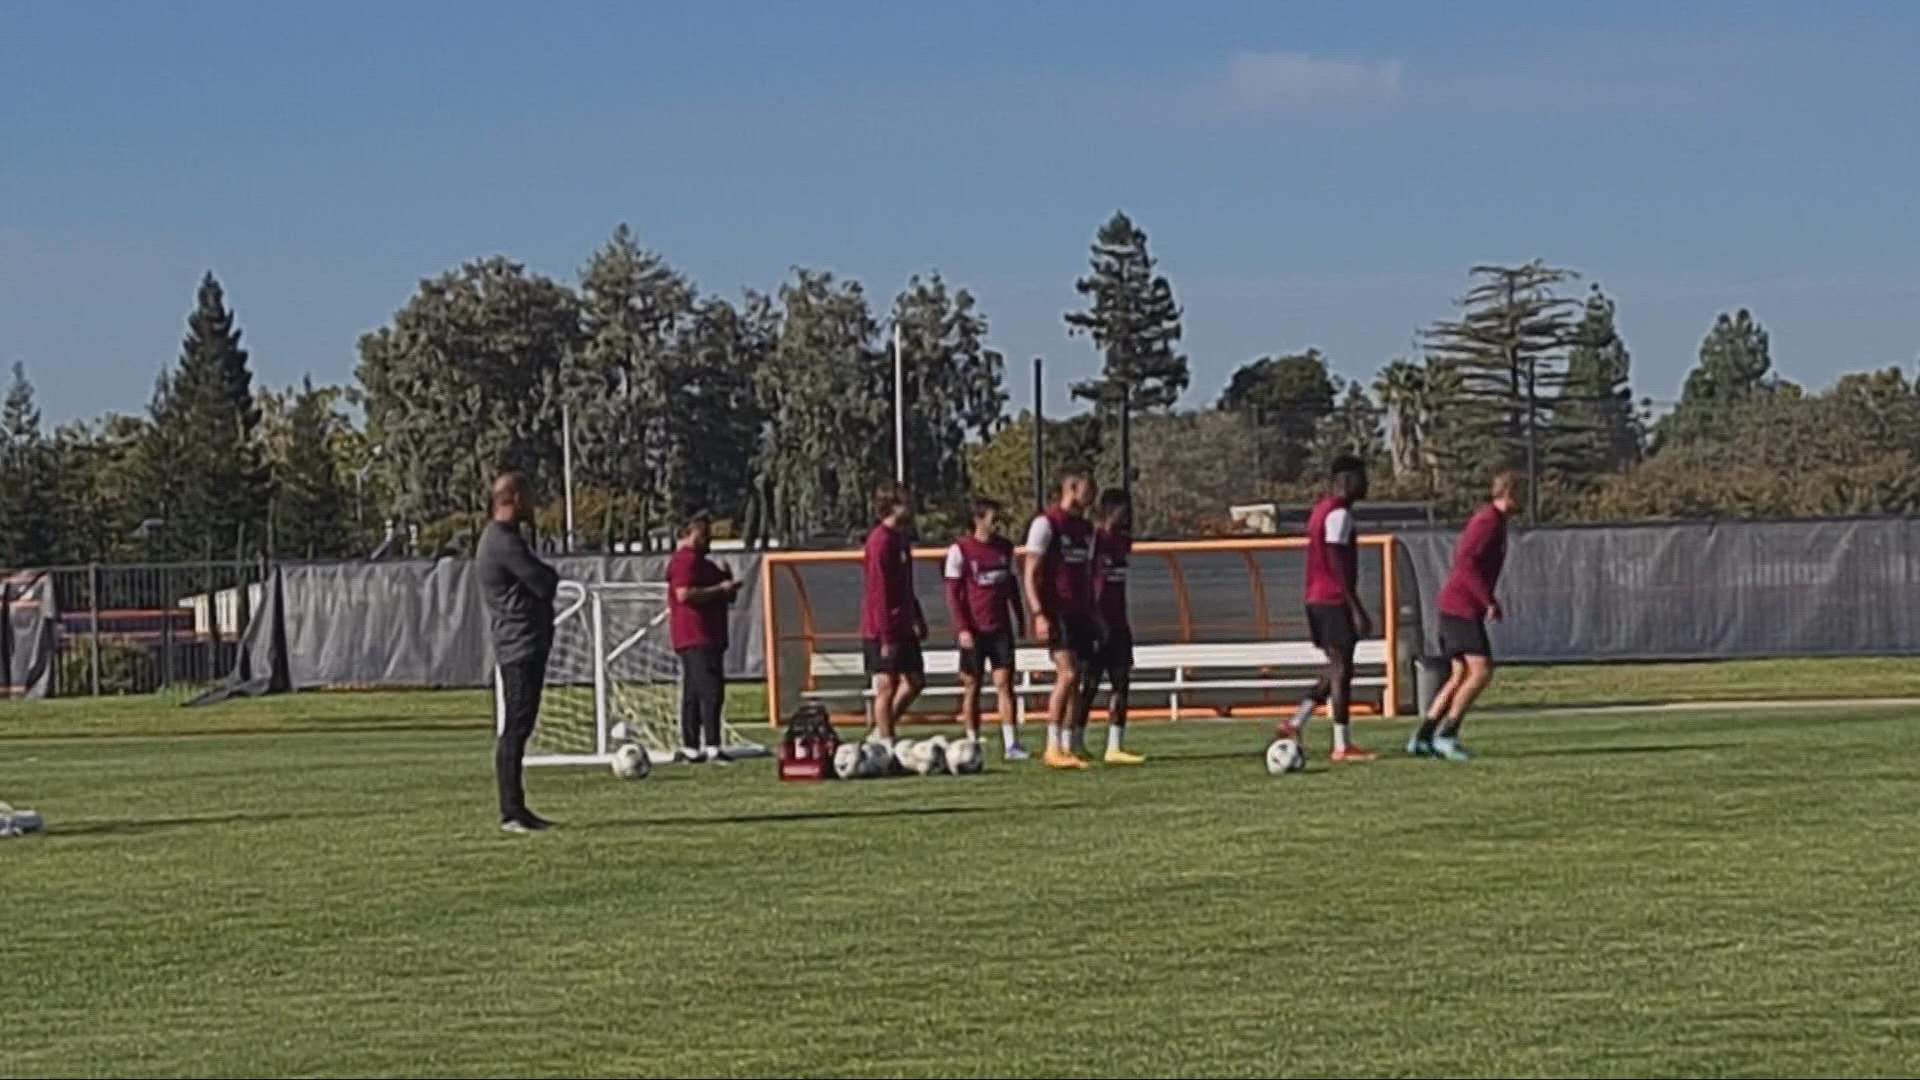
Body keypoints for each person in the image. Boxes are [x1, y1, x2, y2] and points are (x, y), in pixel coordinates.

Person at [1275, 455, 1377, 764]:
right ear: (1346, 481)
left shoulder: (1321, 511)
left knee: (1337, 666)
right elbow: (1335, 562)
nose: (1366, 484)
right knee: (1342, 670)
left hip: (1317, 598)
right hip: (1332, 600)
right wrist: (1355, 606)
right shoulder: (1338, 514)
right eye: (1361, 478)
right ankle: (1341, 744)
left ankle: (1296, 723)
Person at [1411, 471, 1518, 762]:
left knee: (1459, 675)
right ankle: (1448, 734)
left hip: (1454, 606)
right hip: (1461, 607)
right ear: (1507, 493)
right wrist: (1487, 601)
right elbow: (1465, 562)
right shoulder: (1487, 522)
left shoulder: (1498, 523)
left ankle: (1422, 738)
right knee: (1481, 671)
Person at [476, 472, 561, 833]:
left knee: (521, 726)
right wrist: (548, 579)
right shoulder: (502, 541)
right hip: (518, 645)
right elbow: (543, 581)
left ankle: (519, 809)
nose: (534, 502)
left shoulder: (508, 539)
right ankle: (511, 811)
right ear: (510, 498)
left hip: (526, 642)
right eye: (527, 495)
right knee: (515, 727)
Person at [1024, 468, 1100, 770]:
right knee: (1066, 674)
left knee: (1077, 679)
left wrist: (1094, 612)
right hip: (1058, 611)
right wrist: (1039, 613)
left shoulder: (1085, 528)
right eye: (1087, 489)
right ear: (1071, 487)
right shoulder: (1046, 524)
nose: (1092, 496)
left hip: (1080, 611)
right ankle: (1052, 745)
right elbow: (1030, 572)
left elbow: (1086, 573)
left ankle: (1070, 744)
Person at [943, 497, 1029, 759]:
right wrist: (963, 629)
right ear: (978, 520)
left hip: (1000, 628)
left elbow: (1012, 586)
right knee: (973, 685)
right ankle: (971, 740)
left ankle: (1011, 743)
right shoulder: (960, 550)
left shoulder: (1005, 548)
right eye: (993, 518)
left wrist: (1020, 618)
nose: (997, 523)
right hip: (975, 630)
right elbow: (953, 594)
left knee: (1005, 684)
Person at [667, 512, 743, 763]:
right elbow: (684, 594)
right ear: (691, 533)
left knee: (694, 691)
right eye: (704, 534)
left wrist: (727, 586)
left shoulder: (705, 564)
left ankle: (691, 747)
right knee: (710, 691)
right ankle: (711, 745)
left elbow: (724, 592)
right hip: (697, 635)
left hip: (706, 635)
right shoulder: (685, 561)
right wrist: (719, 589)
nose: (709, 540)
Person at [1076, 487, 1144, 765]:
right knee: (1089, 685)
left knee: (1121, 682)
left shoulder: (1122, 543)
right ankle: (1076, 741)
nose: (1126, 516)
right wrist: (1092, 620)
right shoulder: (1094, 540)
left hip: (1119, 624)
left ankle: (1115, 745)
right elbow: (1086, 584)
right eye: (1122, 510)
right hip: (1095, 623)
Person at [860, 482, 928, 747]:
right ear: (891, 506)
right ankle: (887, 744)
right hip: (882, 629)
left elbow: (906, 585)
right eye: (904, 502)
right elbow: (879, 592)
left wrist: (916, 616)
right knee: (886, 685)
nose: (910, 506)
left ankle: (881, 730)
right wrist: (886, 637)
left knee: (915, 681)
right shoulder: (879, 542)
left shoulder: (901, 539)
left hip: (903, 625)